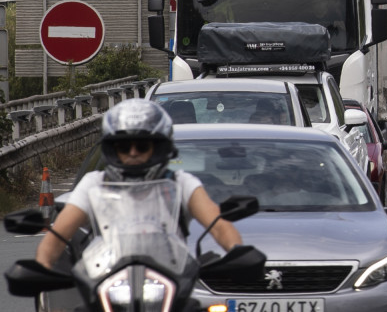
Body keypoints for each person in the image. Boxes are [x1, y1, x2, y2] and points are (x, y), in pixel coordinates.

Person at [35, 99, 244, 269]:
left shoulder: (181, 182)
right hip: (108, 279)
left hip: (169, 280)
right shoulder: (94, 184)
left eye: (142, 146)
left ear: (158, 147)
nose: (133, 153)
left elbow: (219, 226)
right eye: (125, 147)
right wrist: (41, 267)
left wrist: (238, 252)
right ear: (113, 149)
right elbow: (58, 236)